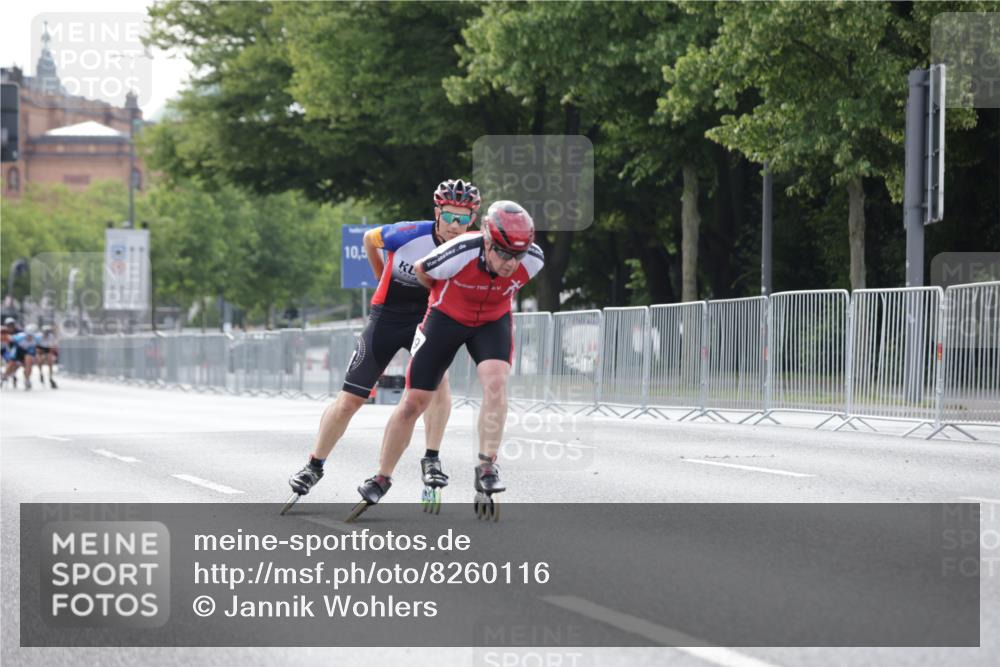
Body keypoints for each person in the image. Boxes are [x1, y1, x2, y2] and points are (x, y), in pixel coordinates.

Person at [281, 179, 482, 513]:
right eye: (449, 216)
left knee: (437, 383)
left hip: (427, 320)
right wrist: (381, 275)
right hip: (386, 318)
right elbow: (368, 239)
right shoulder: (406, 234)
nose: (455, 225)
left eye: (463, 218)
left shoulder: (469, 248)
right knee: (349, 401)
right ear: (437, 212)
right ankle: (314, 465)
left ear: (473, 218)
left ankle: (431, 458)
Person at [348, 200, 544, 521]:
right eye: (504, 253)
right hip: (446, 318)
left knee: (495, 384)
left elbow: (514, 276)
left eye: (517, 255)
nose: (511, 263)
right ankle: (382, 476)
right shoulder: (459, 250)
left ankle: (487, 466)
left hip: (491, 321)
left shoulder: (533, 260)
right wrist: (446, 297)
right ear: (487, 241)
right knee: (415, 401)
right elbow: (423, 272)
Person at [35, 325, 59, 389]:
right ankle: (41, 373)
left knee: (50, 361)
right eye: (45, 332)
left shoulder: (51, 337)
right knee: (40, 360)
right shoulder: (39, 337)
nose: (46, 334)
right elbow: (36, 347)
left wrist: (51, 354)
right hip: (40, 349)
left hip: (48, 349)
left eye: (47, 332)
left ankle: (50, 377)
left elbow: (52, 347)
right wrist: (40, 354)